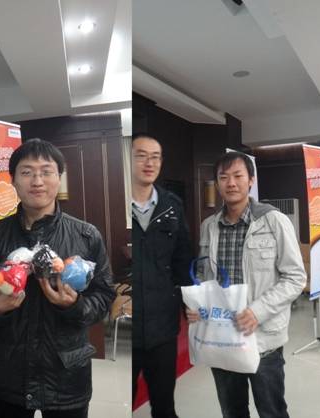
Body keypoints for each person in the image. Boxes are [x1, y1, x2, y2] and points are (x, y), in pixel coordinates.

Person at [0, 138, 115, 418]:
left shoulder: (86, 236)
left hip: (67, 373)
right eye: (27, 172)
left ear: (59, 178)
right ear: (13, 180)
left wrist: (74, 305)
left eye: (46, 171)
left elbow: (104, 296)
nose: (37, 181)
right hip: (10, 372)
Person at [186, 151, 306, 418]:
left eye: (238, 176)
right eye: (223, 177)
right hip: (222, 337)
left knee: (271, 411)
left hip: (262, 337)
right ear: (217, 183)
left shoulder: (274, 221)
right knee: (232, 410)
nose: (231, 183)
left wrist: (257, 311)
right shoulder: (209, 226)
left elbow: (295, 277)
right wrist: (198, 306)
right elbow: (206, 277)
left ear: (251, 180)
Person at [131, 133, 192, 417]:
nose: (149, 163)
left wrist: (189, 304)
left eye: (155, 157)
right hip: (130, 321)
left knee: (165, 405)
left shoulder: (172, 205)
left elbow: (183, 261)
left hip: (163, 327)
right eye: (141, 156)